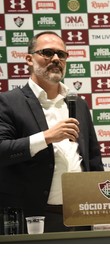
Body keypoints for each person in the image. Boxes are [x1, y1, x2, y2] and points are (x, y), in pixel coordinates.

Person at [0, 31, 104, 233]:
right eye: (47, 53)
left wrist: (98, 205)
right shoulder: (8, 102)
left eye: (61, 55)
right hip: (32, 218)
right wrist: (47, 137)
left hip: (79, 216)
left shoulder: (78, 104)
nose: (56, 59)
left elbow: (93, 160)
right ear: (29, 59)